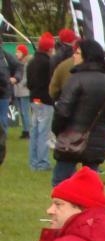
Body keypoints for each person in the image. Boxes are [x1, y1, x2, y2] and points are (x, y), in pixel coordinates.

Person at [51, 39, 105, 187]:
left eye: (78, 53)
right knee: (90, 185)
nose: (74, 57)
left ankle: (62, 209)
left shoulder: (76, 79)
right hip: (97, 139)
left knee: (61, 182)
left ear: (87, 56)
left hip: (72, 138)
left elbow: (63, 110)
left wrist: (57, 129)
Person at [26, 33, 56, 172]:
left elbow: (29, 82)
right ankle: (42, 162)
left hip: (33, 99)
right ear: (49, 49)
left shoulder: (31, 61)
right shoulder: (48, 63)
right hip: (45, 99)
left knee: (35, 131)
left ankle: (33, 161)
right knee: (44, 131)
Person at [13, 45, 31, 139]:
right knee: (21, 112)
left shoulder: (27, 63)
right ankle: (25, 130)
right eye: (16, 52)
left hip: (24, 91)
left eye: (19, 52)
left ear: (23, 53)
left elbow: (27, 78)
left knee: (25, 112)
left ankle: (27, 130)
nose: (17, 54)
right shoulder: (17, 63)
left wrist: (19, 83)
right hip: (18, 90)